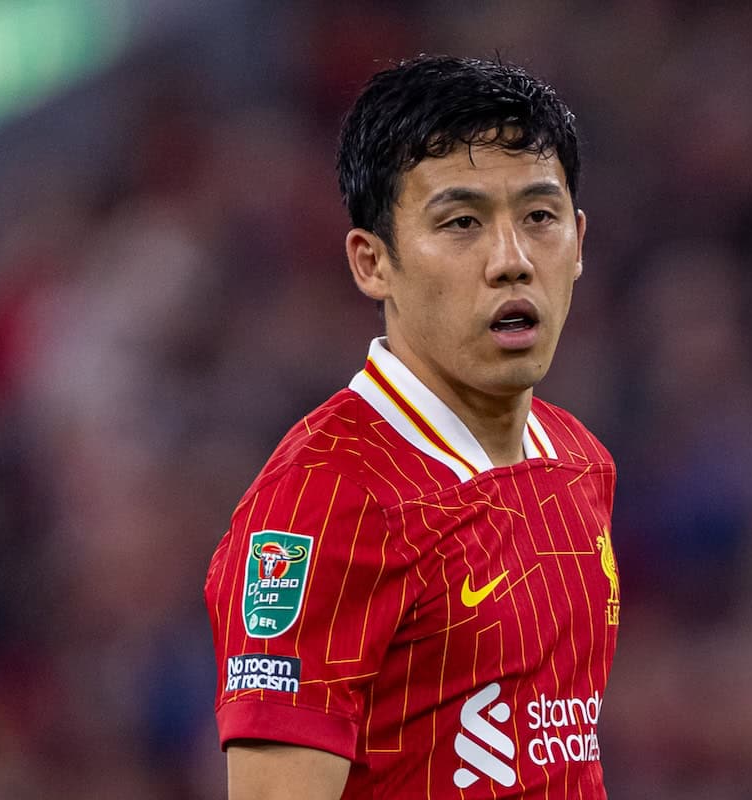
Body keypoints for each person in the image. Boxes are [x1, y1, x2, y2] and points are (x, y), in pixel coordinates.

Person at [205, 54, 620, 799]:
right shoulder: (321, 503)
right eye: (461, 223)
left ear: (580, 242)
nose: (512, 261)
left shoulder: (582, 464)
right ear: (372, 262)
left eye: (540, 217)